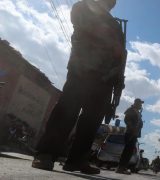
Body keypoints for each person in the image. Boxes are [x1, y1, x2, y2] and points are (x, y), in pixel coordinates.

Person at [32, 0, 126, 175]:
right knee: (67, 111)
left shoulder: (115, 25)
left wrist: (118, 81)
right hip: (82, 70)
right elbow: (80, 24)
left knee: (92, 121)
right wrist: (108, 41)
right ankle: (46, 153)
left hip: (105, 79)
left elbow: (121, 57)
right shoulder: (84, 7)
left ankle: (76, 160)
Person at [115, 98, 144, 174]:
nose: (141, 105)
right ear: (136, 103)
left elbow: (139, 122)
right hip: (130, 133)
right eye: (140, 103)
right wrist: (132, 127)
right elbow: (126, 119)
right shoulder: (131, 110)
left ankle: (122, 167)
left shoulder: (137, 112)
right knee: (127, 151)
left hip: (134, 134)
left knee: (129, 152)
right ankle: (120, 168)